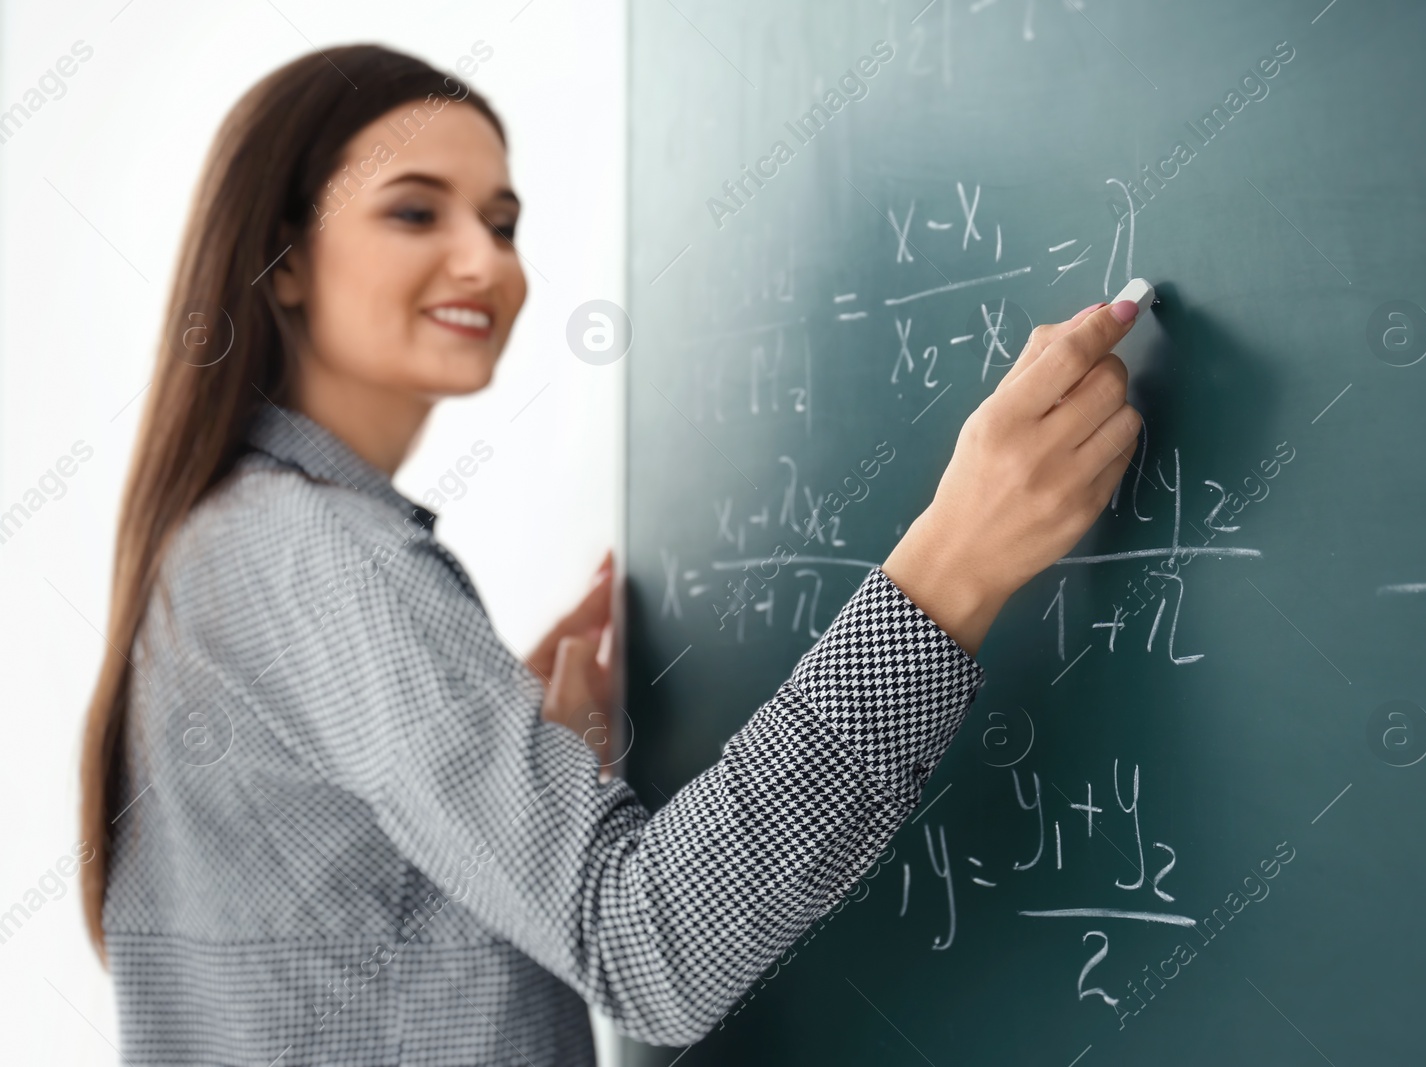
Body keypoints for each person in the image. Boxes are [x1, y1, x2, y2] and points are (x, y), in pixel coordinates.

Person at [78, 45, 1142, 1065]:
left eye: (503, 221)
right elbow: (652, 952)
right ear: (284, 258)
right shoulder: (310, 548)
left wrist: (501, 746)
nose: (484, 259)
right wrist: (952, 564)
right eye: (415, 210)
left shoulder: (229, 540)